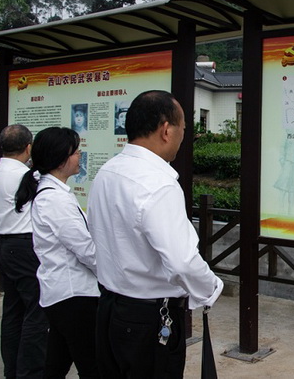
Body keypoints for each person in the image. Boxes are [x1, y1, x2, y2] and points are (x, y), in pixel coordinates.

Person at [88, 90, 224, 378]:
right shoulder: (159, 183)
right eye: (183, 129)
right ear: (166, 130)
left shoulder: (107, 172)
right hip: (148, 320)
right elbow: (182, 262)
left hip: (109, 309)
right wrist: (209, 288)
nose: (183, 137)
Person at [14, 127, 99, 378]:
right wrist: (114, 274)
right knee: (93, 366)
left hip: (64, 293)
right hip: (74, 295)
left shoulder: (54, 193)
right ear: (61, 159)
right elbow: (85, 249)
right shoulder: (54, 200)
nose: (80, 156)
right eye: (76, 152)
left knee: (55, 364)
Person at [0, 124, 49, 379]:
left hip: (5, 246)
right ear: (28, 147)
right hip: (25, 247)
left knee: (12, 313)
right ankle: (30, 372)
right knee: (36, 313)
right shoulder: (28, 176)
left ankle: (12, 370)